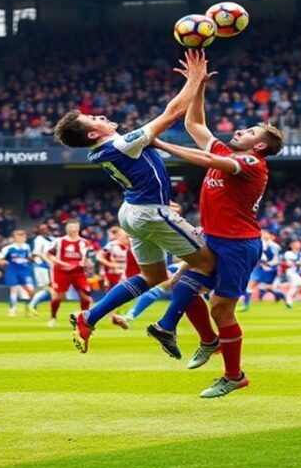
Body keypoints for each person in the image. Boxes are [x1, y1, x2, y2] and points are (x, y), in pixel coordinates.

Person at [53, 49, 216, 354]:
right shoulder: (120, 143)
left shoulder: (107, 149)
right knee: (207, 265)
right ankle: (174, 328)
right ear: (92, 133)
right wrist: (194, 79)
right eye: (94, 118)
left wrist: (196, 86)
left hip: (132, 212)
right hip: (149, 211)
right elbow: (172, 113)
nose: (101, 116)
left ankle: (90, 317)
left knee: (153, 277)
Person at [151, 70, 285, 398]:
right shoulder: (229, 154)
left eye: (250, 130)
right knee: (185, 285)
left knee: (221, 309)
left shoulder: (252, 163)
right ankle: (198, 338)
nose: (241, 130)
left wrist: (158, 142)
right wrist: (198, 85)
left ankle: (233, 374)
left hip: (238, 245)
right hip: (214, 237)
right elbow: (195, 126)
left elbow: (206, 158)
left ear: (261, 145)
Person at [45, 219, 94, 328]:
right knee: (59, 296)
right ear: (66, 229)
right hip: (61, 272)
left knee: (85, 296)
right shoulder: (59, 241)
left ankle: (84, 319)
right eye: (70, 227)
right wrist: (62, 263)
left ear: (78, 228)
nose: (72, 229)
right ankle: (53, 317)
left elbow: (88, 257)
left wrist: (89, 264)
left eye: (74, 227)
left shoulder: (85, 242)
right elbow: (49, 255)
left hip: (79, 272)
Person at [239, 230, 286, 311]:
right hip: (259, 268)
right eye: (262, 233)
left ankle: (284, 297)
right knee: (249, 286)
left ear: (270, 235)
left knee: (267, 288)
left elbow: (277, 260)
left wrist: (268, 264)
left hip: (269, 270)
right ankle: (246, 306)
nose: (262, 234)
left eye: (264, 233)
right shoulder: (260, 243)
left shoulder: (275, 246)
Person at [0, 230, 35, 317]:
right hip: (12, 271)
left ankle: (29, 308)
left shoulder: (27, 247)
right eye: (18, 235)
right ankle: (12, 309)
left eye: (22, 235)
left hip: (24, 271)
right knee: (14, 289)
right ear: (14, 237)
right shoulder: (8, 248)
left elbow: (29, 257)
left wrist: (32, 259)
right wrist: (3, 263)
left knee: (31, 290)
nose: (21, 237)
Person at [27, 224, 55, 317]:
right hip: (41, 266)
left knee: (46, 287)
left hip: (46, 266)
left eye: (46, 228)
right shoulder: (39, 239)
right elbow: (37, 252)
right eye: (43, 229)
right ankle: (32, 305)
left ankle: (33, 306)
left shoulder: (48, 239)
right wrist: (46, 261)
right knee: (44, 287)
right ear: (39, 230)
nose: (45, 230)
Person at [98, 226, 129, 293]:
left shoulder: (131, 245)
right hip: (111, 273)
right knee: (111, 292)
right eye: (122, 235)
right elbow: (99, 256)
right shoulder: (111, 245)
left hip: (124, 272)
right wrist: (110, 264)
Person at [281, 240, 301, 308]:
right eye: (297, 244)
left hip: (297, 273)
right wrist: (299, 263)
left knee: (296, 287)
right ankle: (300, 299)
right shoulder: (288, 253)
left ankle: (288, 302)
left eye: (299, 244)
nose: (299, 245)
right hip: (290, 272)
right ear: (292, 246)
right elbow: (289, 263)